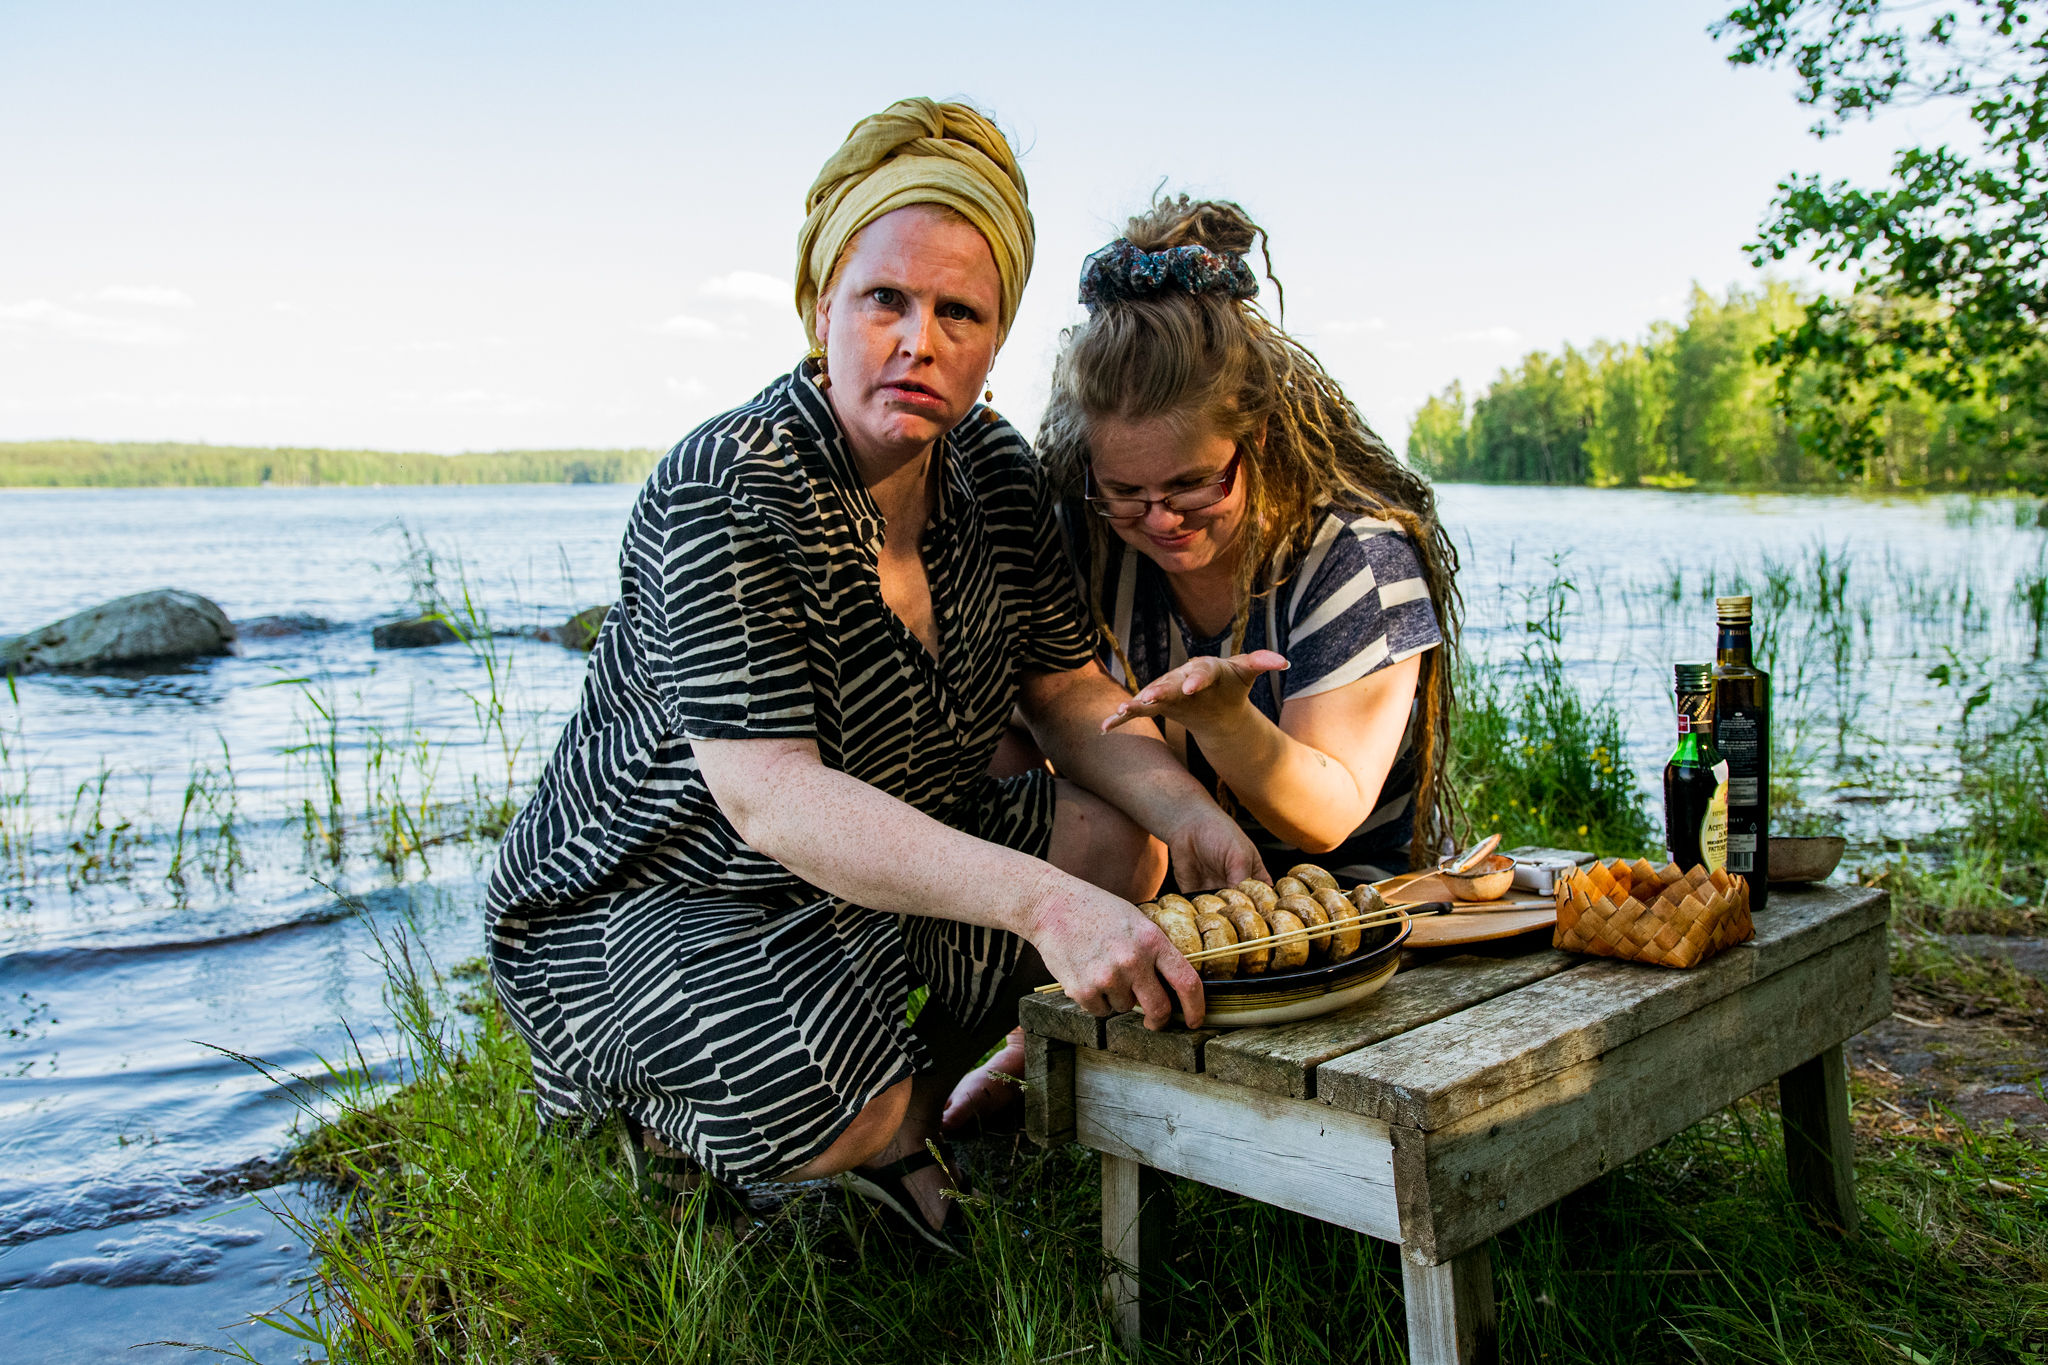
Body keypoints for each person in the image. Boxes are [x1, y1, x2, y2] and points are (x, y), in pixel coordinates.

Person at [484, 103, 1262, 1250]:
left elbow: (1062, 693)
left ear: (996, 339)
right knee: (823, 1086)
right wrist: (1042, 906)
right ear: (819, 308)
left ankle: (908, 1096)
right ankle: (718, 1128)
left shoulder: (993, 475)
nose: (919, 340)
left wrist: (1190, 817)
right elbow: (770, 797)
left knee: (1117, 844)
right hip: (659, 893)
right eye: (883, 301)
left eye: (960, 312)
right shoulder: (725, 487)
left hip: (869, 864)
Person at [942, 199, 1464, 1136]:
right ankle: (986, 1039)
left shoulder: (1357, 556)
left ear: (1253, 441)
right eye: (1126, 492)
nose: (1162, 520)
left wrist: (1226, 718)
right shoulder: (1086, 535)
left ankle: (1025, 1059)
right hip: (1165, 891)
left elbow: (1331, 809)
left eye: (1191, 485)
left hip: (1327, 926)